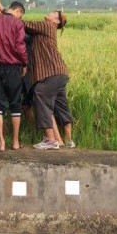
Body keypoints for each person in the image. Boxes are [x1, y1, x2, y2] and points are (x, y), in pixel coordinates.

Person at [22, 9, 75, 150]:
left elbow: (22, 23)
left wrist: (5, 13)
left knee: (40, 94)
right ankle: (68, 140)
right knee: (61, 105)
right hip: (60, 72)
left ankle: (51, 140)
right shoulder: (46, 30)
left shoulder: (47, 25)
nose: (49, 13)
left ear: (56, 21)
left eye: (52, 13)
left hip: (50, 72)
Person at [0, 1, 27, 152]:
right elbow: (20, 46)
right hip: (13, 68)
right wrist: (25, 64)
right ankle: (15, 142)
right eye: (21, 15)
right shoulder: (17, 24)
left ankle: (1, 142)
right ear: (19, 12)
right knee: (15, 104)